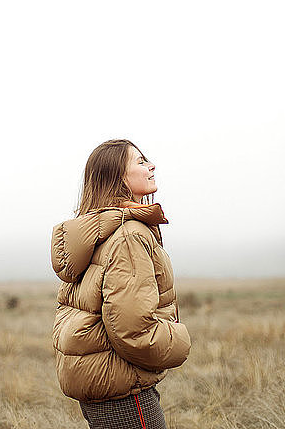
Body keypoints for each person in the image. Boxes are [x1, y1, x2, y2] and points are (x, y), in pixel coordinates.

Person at [51, 139, 191, 429]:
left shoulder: (95, 231)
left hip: (102, 380)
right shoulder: (129, 235)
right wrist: (178, 340)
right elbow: (133, 330)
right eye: (140, 161)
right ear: (118, 178)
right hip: (122, 388)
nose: (151, 166)